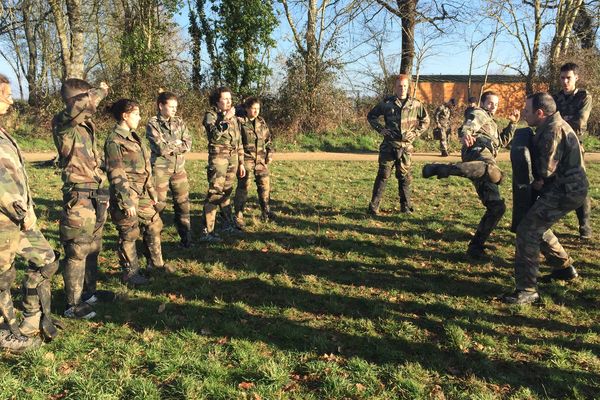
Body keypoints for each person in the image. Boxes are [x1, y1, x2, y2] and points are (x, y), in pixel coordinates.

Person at [501, 93, 588, 304]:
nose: (523, 113)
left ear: (540, 113)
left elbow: (545, 171)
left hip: (566, 190)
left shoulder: (552, 130)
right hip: (567, 188)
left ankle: (527, 289)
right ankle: (564, 269)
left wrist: (532, 181)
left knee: (527, 230)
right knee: (538, 225)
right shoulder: (550, 125)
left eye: (527, 110)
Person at [0, 74, 59, 351]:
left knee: (46, 260)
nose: (10, 99)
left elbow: (16, 177)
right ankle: (8, 332)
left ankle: (31, 317)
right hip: (6, 221)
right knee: (2, 278)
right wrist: (22, 213)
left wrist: (27, 210)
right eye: (6, 94)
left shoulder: (3, 133)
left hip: (18, 219)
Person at [422, 91, 520, 258]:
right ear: (482, 103)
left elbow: (501, 142)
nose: (493, 107)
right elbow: (470, 123)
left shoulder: (491, 122)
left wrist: (512, 124)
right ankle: (443, 169)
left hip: (479, 162)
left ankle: (475, 247)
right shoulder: (480, 113)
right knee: (495, 172)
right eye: (490, 103)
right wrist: (466, 133)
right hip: (478, 151)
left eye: (496, 104)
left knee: (497, 207)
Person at [52, 78, 112, 320]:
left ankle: (89, 294)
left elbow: (88, 102)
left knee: (93, 246)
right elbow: (78, 104)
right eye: (87, 96)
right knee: (77, 249)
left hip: (95, 192)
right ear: (75, 100)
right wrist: (98, 91)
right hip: (78, 195)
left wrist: (100, 91)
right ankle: (72, 305)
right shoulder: (63, 122)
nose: (93, 100)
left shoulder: (86, 124)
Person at [105, 99, 167, 286]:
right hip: (127, 194)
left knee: (155, 224)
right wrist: (126, 201)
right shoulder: (114, 140)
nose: (140, 118)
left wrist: (151, 190)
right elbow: (116, 172)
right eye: (136, 114)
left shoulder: (134, 136)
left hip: (143, 193)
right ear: (125, 116)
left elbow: (145, 166)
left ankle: (155, 265)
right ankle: (130, 274)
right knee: (129, 233)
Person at [367, 74, 430, 215]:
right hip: (389, 146)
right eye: (399, 86)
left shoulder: (416, 104)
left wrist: (416, 133)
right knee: (383, 175)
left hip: (406, 147)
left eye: (405, 86)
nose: (402, 89)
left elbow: (426, 120)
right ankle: (373, 207)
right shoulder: (386, 103)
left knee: (404, 176)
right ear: (395, 87)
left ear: (408, 87)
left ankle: (406, 207)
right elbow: (371, 116)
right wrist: (381, 129)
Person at [146, 91, 192, 248]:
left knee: (183, 205)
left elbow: (188, 143)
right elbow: (160, 148)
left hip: (179, 169)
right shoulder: (153, 123)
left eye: (176, 107)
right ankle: (153, 242)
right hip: (160, 171)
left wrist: (173, 144)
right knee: (158, 206)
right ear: (161, 106)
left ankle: (186, 240)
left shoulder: (179, 121)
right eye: (171, 107)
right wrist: (177, 143)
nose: (174, 110)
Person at [553, 62, 593, 240]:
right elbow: (548, 120)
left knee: (579, 185)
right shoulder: (555, 98)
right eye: (562, 78)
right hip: (555, 147)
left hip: (575, 147)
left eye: (568, 78)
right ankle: (545, 223)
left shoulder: (584, 97)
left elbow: (579, 123)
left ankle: (584, 225)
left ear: (576, 77)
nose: (565, 81)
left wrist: (559, 121)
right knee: (551, 182)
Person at [201, 87, 245, 241]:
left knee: (227, 191)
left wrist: (241, 162)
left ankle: (227, 224)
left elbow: (238, 140)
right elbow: (214, 135)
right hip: (218, 158)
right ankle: (208, 230)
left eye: (230, 98)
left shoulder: (233, 117)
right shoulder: (211, 115)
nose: (228, 101)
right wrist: (226, 118)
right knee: (215, 192)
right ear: (217, 101)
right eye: (225, 99)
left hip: (233, 158)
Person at [233, 97, 274, 229]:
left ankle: (266, 211)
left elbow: (268, 140)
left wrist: (270, 154)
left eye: (258, 108)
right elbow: (236, 143)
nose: (256, 111)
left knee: (265, 186)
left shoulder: (261, 122)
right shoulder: (239, 122)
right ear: (246, 109)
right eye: (253, 108)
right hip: (246, 160)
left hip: (261, 161)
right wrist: (239, 162)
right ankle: (238, 215)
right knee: (243, 188)